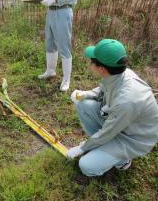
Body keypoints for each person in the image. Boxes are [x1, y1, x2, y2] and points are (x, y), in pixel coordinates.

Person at [66, 39, 158, 177]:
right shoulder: (119, 74)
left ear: (102, 69)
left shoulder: (127, 100)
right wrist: (85, 94)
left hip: (133, 138)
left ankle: (122, 160)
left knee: (86, 166)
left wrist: (83, 148)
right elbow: (103, 88)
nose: (90, 63)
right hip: (121, 124)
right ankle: (101, 147)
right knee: (83, 104)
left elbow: (108, 131)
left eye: (92, 61)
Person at [37, 0, 80, 92]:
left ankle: (66, 79)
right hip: (50, 11)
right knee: (49, 43)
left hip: (63, 11)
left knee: (64, 46)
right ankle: (50, 71)